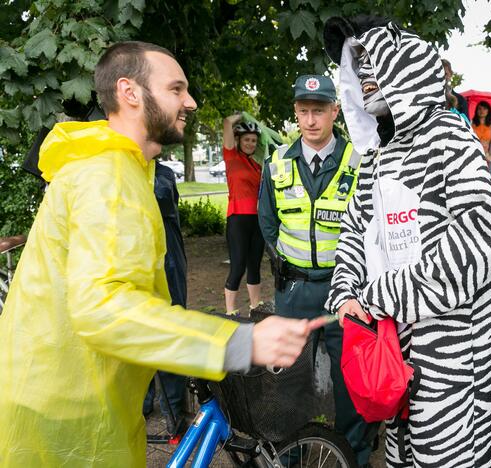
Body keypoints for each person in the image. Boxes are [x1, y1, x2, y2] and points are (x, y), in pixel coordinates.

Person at [0, 41, 320, 466]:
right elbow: (106, 309)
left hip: (80, 400)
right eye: (175, 89)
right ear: (130, 92)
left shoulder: (119, 167)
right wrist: (239, 341)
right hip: (67, 419)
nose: (189, 101)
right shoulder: (107, 176)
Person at [324, 16, 491, 467]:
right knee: (403, 451)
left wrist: (386, 293)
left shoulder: (448, 135)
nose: (366, 76)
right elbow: (355, 231)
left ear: (406, 68)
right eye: (359, 67)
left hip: (450, 341)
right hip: (391, 337)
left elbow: (486, 233)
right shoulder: (375, 156)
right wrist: (347, 291)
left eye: (374, 63)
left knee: (447, 454)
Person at [257, 74, 371, 466]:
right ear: (295, 113)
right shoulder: (276, 164)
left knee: (350, 384)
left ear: (334, 112)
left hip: (345, 292)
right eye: (304, 111)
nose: (310, 120)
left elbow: (372, 226)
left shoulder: (358, 162)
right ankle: (291, 457)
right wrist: (287, 263)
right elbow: (267, 223)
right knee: (289, 384)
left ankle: (352, 456)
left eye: (318, 111)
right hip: (295, 292)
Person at [142, 160, 189, 437]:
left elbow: (161, 200)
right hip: (140, 258)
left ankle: (174, 408)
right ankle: (144, 402)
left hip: (167, 259)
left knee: (171, 331)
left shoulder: (162, 176)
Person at [222, 114, 265, 314]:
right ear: (238, 140)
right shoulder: (231, 156)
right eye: (247, 139)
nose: (250, 143)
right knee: (238, 266)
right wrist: (245, 115)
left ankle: (255, 306)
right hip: (238, 218)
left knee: (254, 265)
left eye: (254, 140)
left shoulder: (257, 165)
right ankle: (230, 311)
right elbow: (228, 123)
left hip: (256, 220)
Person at [472, 101, 491, 171]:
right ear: (476, 111)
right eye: (479, 109)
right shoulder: (472, 125)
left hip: (487, 158)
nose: (482, 111)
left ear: (488, 111)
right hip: (474, 158)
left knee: (487, 180)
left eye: (484, 109)